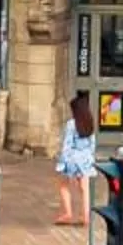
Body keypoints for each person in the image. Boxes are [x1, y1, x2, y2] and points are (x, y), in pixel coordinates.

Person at [53, 93, 96, 225]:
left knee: (63, 184)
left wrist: (62, 162)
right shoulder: (89, 122)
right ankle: (86, 216)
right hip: (86, 158)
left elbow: (67, 144)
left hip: (73, 157)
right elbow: (92, 144)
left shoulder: (72, 124)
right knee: (84, 188)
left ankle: (68, 213)